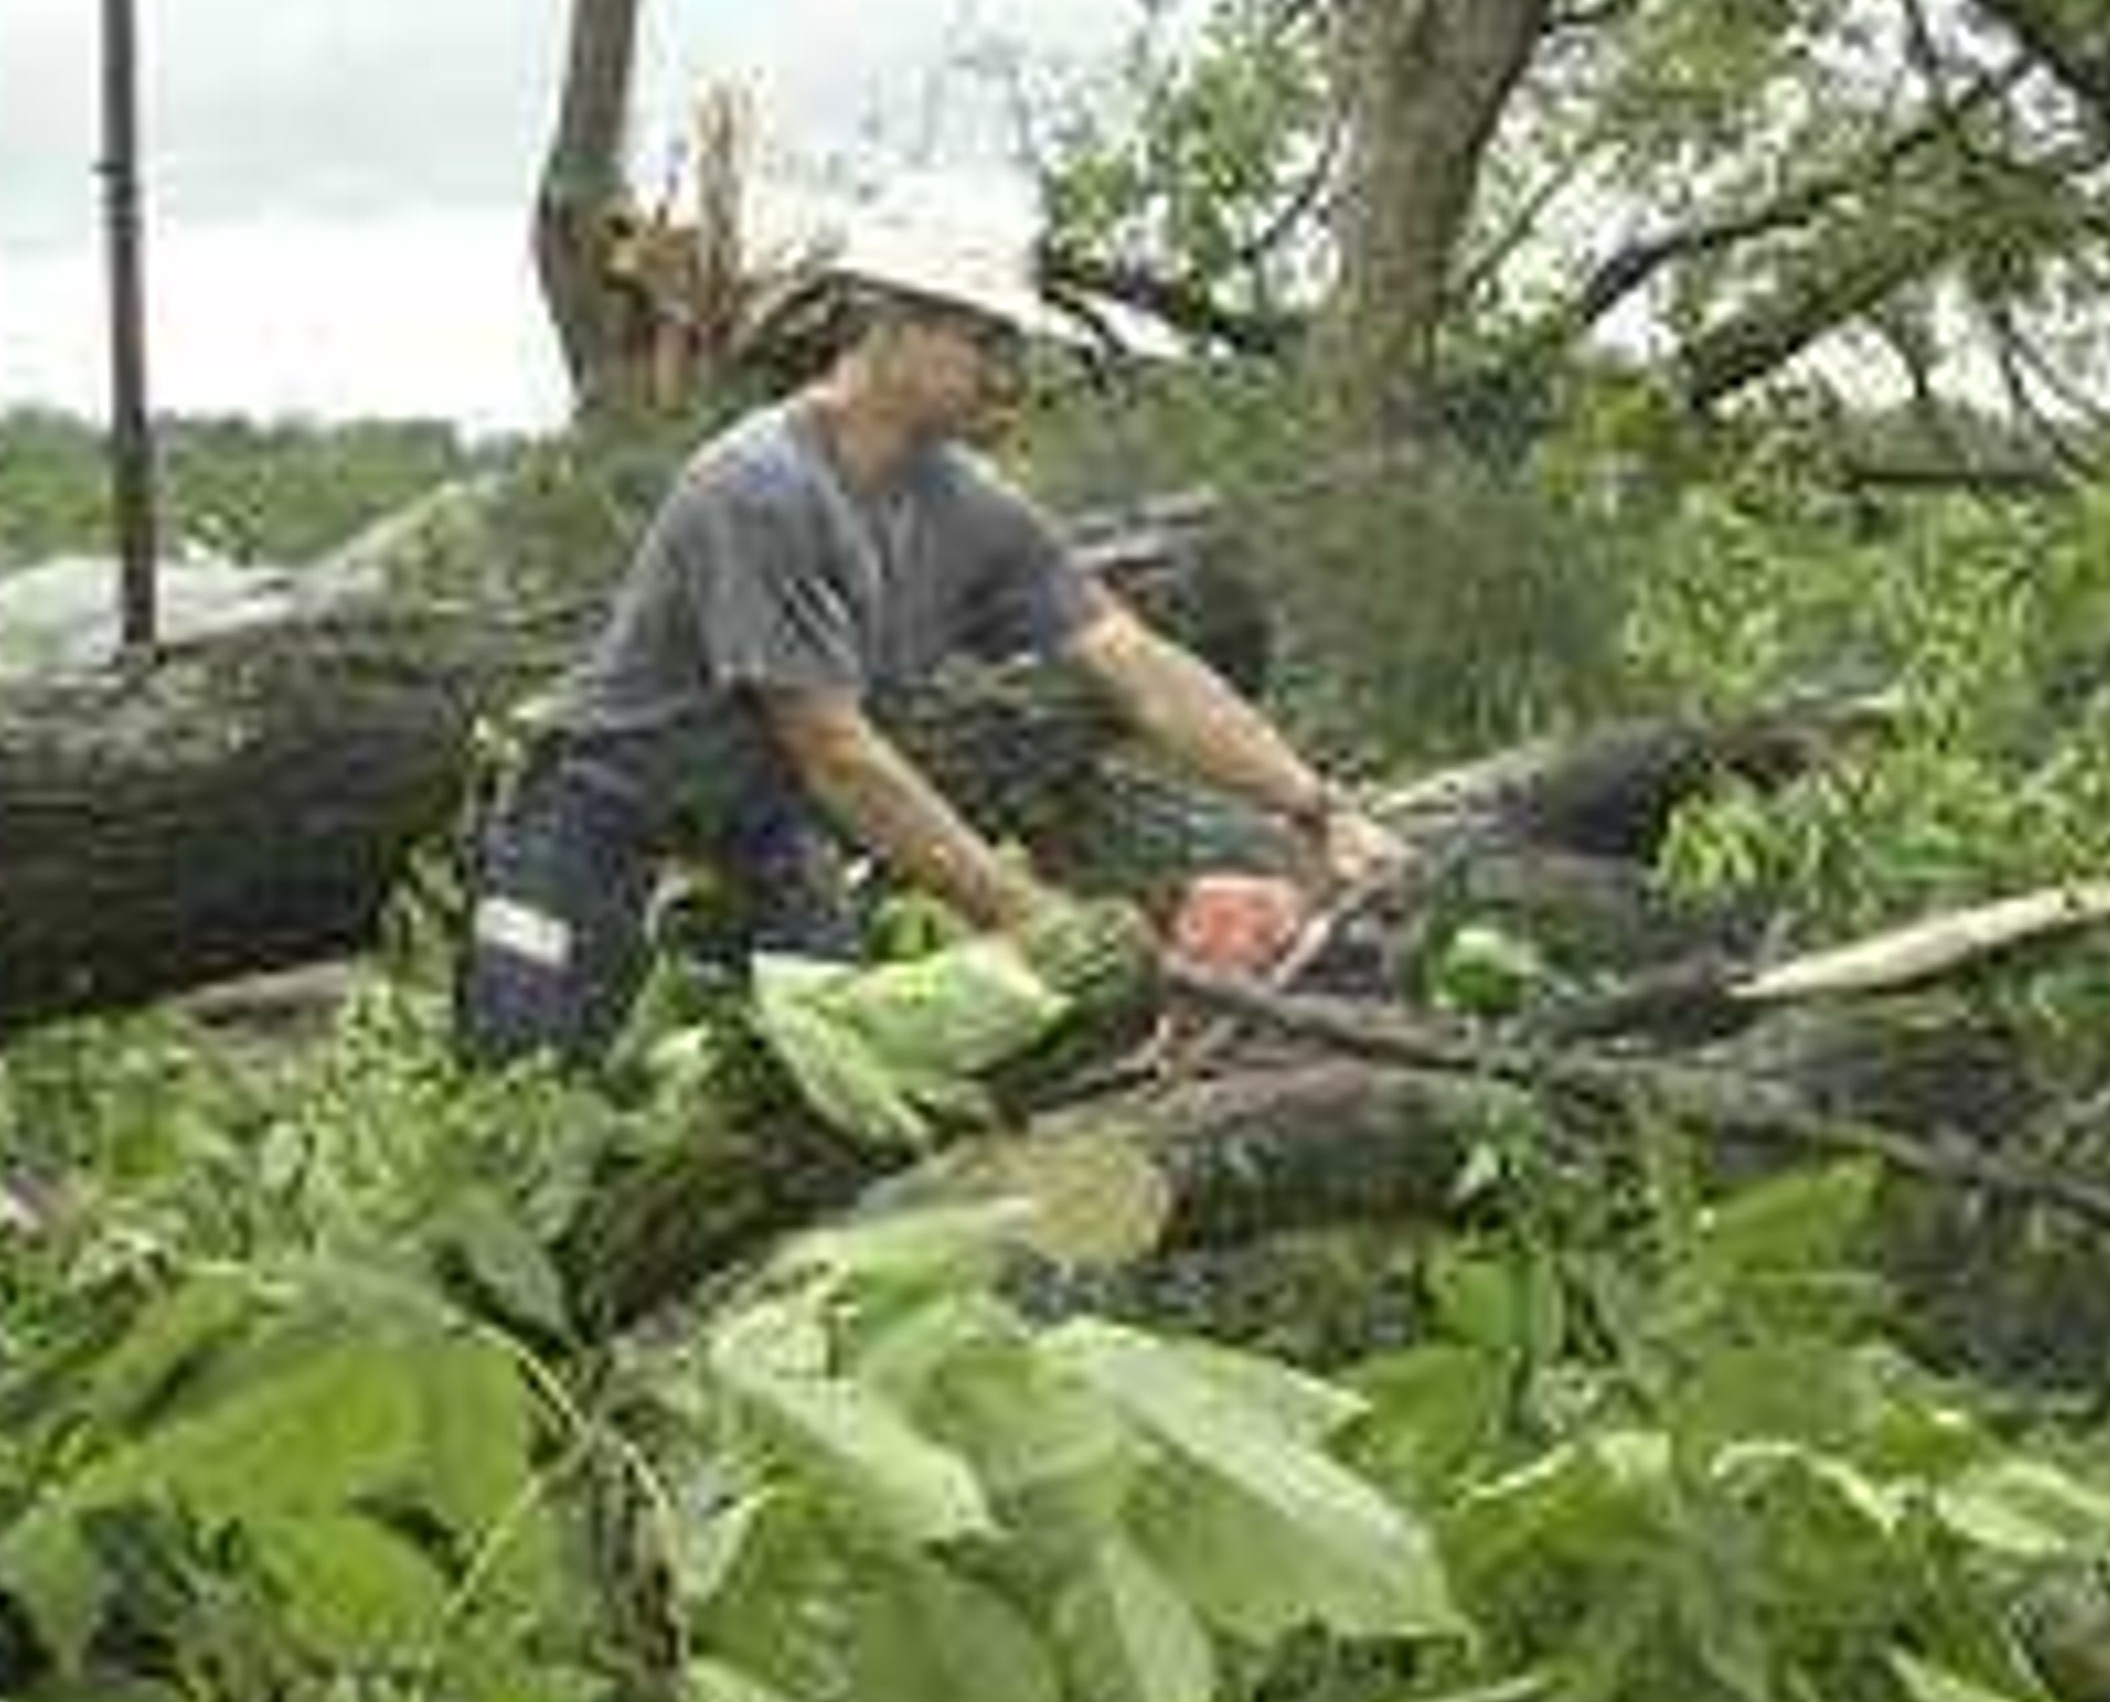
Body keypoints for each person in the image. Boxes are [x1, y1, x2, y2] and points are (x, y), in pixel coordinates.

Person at [455, 192, 1406, 1068]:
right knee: (531, 1094)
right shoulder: (759, 488)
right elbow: (836, 751)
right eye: (986, 340)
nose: (1009, 370)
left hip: (759, 827)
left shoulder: (969, 507)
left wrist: (1317, 808)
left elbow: (1137, 666)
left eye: (1012, 344)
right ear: (891, 324)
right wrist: (1038, 920)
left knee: (817, 1093)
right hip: (591, 818)